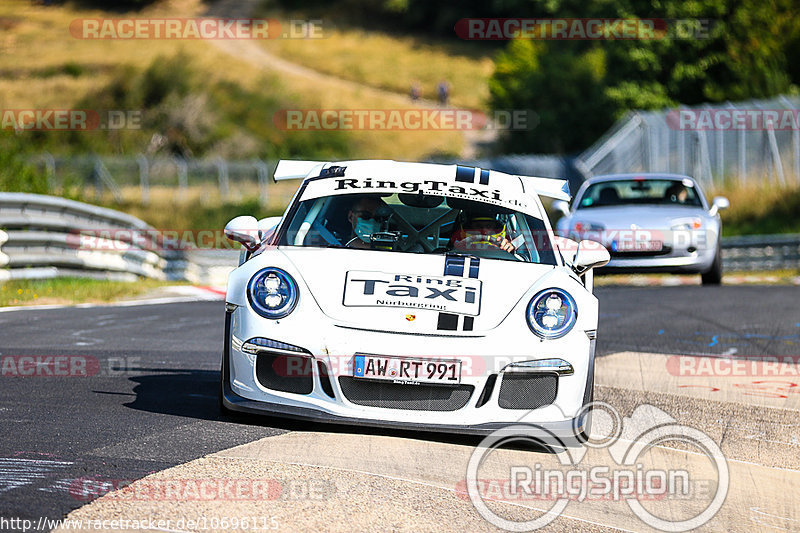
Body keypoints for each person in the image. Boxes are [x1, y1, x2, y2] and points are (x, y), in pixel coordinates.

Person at [450, 213, 516, 253]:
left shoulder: (503, 246)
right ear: (470, 227)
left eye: (488, 226)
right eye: (478, 226)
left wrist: (509, 250)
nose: (484, 231)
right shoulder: (456, 249)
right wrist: (457, 250)